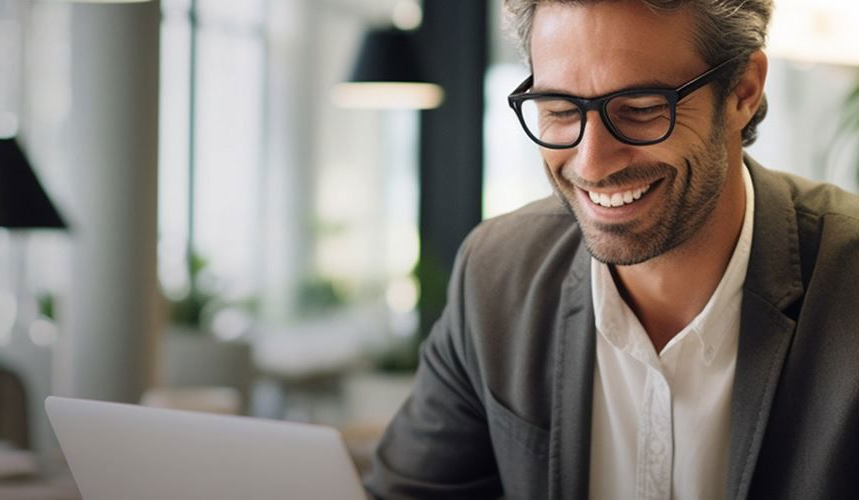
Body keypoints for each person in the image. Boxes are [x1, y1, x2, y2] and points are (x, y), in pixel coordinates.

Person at [364, 0, 859, 498]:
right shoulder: (496, 274)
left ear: (742, 91)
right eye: (559, 109)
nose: (593, 163)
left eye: (641, 109)